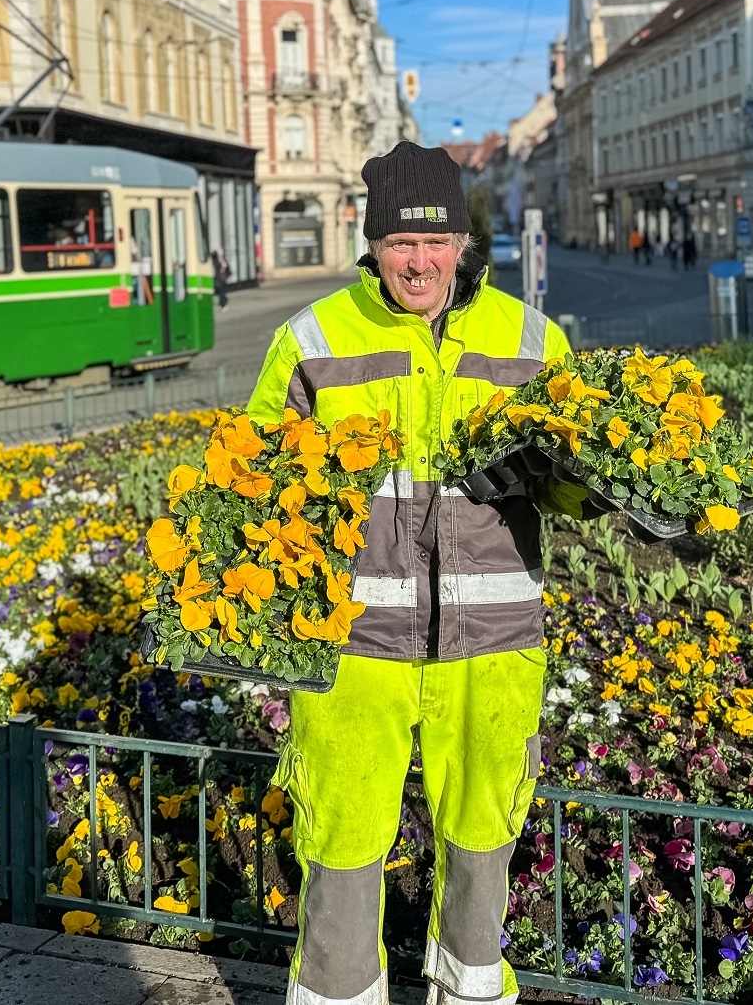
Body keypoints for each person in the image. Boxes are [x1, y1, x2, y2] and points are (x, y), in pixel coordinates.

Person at [249, 141, 570, 1005]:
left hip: (494, 635)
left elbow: (584, 480)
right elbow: (253, 487)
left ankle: (469, 988)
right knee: (345, 836)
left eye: (435, 243)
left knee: (482, 831)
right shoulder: (311, 341)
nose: (418, 262)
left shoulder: (532, 337)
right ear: (374, 244)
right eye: (400, 244)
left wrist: (551, 474)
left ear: (464, 244)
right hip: (354, 641)